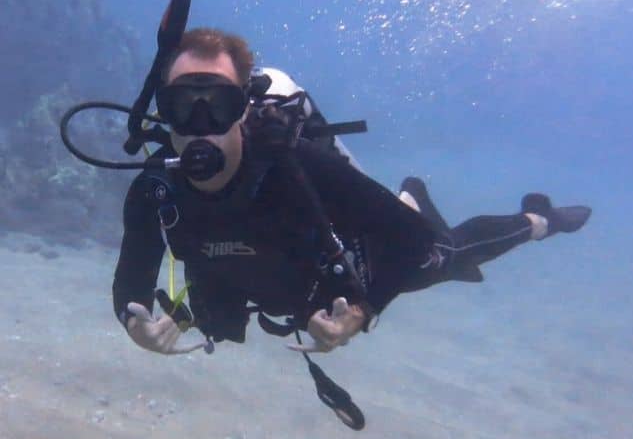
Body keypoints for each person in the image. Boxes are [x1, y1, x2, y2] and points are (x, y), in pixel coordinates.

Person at [113, 27, 591, 359]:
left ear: (243, 111)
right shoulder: (155, 189)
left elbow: (413, 243)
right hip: (262, 280)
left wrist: (360, 312)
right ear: (163, 114)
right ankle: (407, 198)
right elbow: (131, 283)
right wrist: (136, 327)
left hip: (356, 256)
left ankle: (538, 222)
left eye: (217, 105)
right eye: (182, 106)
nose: (201, 127)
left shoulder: (297, 164)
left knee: (443, 254)